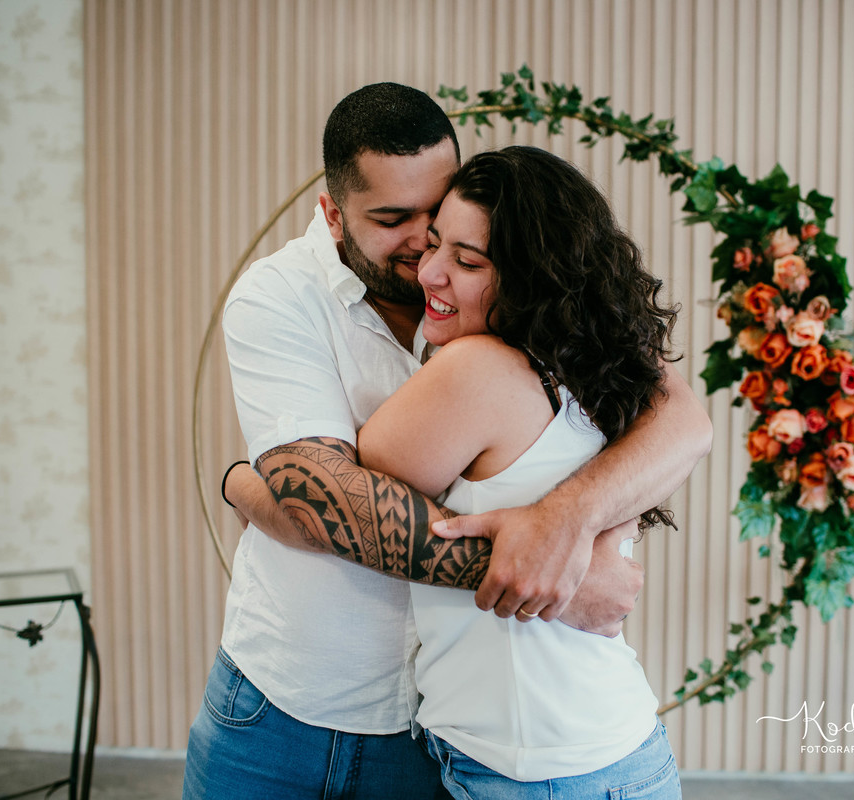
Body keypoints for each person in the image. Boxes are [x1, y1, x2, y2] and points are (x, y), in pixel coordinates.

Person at [183, 83, 712, 799]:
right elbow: (324, 497)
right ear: (332, 213)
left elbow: (686, 419)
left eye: (444, 222)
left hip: (450, 737)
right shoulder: (278, 297)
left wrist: (564, 523)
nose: (424, 248)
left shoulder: (504, 341)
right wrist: (559, 579)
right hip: (295, 705)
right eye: (394, 219)